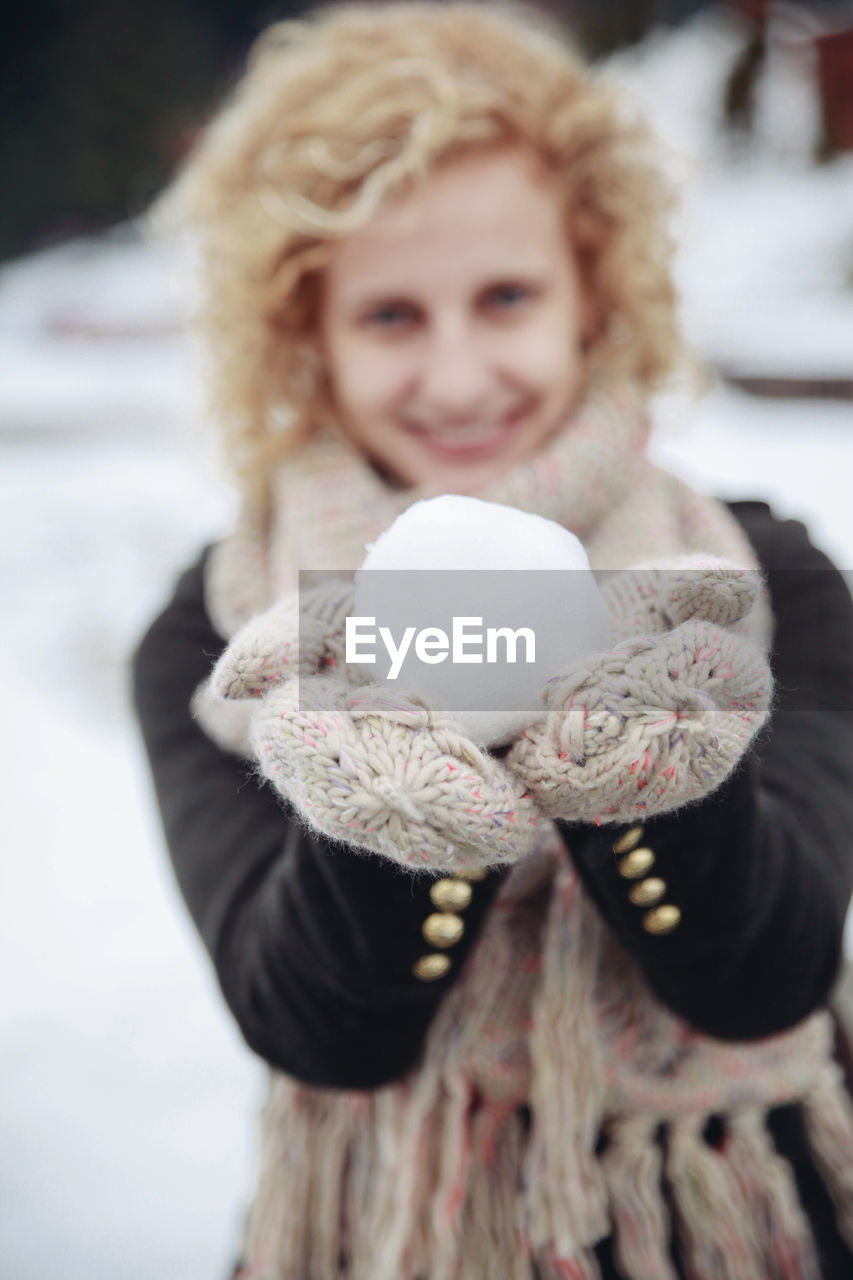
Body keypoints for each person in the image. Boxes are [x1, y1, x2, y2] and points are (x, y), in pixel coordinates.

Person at [132, 3, 853, 1277]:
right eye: (391, 317)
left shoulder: (761, 575)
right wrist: (400, 778)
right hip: (385, 1226)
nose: (459, 377)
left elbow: (770, 969)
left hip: (742, 1213)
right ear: (307, 335)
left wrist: (645, 763)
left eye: (506, 296)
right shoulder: (219, 626)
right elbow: (310, 1019)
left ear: (593, 292)